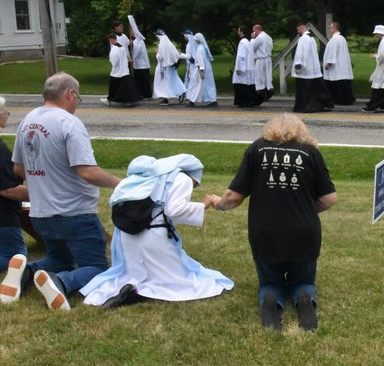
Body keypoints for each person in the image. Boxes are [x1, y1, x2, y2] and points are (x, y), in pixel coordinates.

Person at [0, 73, 120, 310]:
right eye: (78, 97)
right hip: (74, 212)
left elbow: (18, 167)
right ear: (69, 94)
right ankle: (61, 282)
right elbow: (87, 171)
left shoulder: (28, 121)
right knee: (97, 267)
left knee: (60, 258)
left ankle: (26, 273)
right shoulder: (69, 123)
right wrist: (120, 182)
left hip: (41, 213)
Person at [206, 114, 337, 331]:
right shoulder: (310, 152)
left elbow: (233, 197)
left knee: (270, 282)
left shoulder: (257, 150)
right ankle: (304, 296)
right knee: (303, 279)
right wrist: (305, 209)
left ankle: (270, 300)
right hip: (304, 232)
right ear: (302, 131)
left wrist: (217, 203)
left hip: (265, 231)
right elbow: (329, 198)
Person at [80, 154, 233, 309]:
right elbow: (174, 210)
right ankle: (141, 292)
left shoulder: (132, 180)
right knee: (182, 278)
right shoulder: (181, 178)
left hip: (126, 237)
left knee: (135, 273)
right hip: (154, 236)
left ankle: (131, 288)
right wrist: (203, 205)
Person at [0, 96, 28, 274]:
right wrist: (47, 191)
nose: (7, 115)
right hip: (3, 216)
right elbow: (8, 190)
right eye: (4, 112)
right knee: (17, 260)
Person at [292, 23, 333, 113]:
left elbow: (301, 53)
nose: (298, 32)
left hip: (305, 70)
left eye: (298, 30)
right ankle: (315, 105)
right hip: (313, 70)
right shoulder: (312, 39)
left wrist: (298, 65)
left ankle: (303, 107)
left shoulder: (303, 39)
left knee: (304, 90)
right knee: (313, 90)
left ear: (301, 29)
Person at [101, 33, 141, 107]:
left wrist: (113, 64)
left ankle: (109, 100)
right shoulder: (122, 47)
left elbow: (114, 61)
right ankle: (129, 100)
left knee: (113, 87)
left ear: (111, 39)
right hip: (124, 70)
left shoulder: (114, 49)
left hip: (116, 72)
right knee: (126, 87)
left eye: (109, 40)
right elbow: (125, 57)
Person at [322, 21, 356, 105]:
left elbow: (332, 52)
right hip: (342, 66)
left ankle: (336, 100)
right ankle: (347, 99)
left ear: (334, 28)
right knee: (343, 84)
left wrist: (329, 63)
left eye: (330, 28)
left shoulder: (335, 39)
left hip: (336, 67)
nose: (329, 30)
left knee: (335, 83)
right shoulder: (342, 38)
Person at [153, 29, 188, 106]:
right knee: (172, 81)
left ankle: (166, 98)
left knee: (164, 83)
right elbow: (175, 54)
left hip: (163, 67)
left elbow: (160, 57)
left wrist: (156, 53)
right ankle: (179, 93)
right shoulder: (169, 44)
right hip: (169, 66)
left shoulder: (161, 45)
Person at [233, 25, 264, 108]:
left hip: (243, 68)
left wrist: (239, 68)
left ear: (242, 32)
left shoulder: (242, 42)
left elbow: (241, 56)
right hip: (249, 67)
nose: (238, 32)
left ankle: (244, 101)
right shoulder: (248, 42)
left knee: (241, 86)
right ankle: (248, 101)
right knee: (248, 86)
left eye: (239, 30)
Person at [128, 15, 152, 99]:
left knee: (141, 81)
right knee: (142, 81)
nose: (131, 32)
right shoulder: (138, 41)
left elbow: (136, 53)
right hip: (142, 65)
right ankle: (146, 94)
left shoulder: (137, 41)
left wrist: (132, 58)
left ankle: (144, 94)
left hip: (141, 65)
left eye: (132, 31)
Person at [193, 33, 218, 106]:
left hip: (203, 68)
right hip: (208, 68)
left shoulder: (199, 49)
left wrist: (201, 70)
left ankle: (193, 101)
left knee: (199, 85)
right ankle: (213, 99)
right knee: (210, 84)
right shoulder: (203, 48)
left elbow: (201, 60)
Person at [251, 24, 275, 100]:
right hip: (268, 58)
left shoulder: (259, 38)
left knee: (259, 77)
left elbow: (252, 47)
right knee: (267, 76)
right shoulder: (268, 37)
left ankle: (263, 94)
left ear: (256, 30)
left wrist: (252, 38)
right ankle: (269, 90)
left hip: (261, 59)